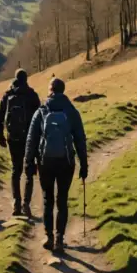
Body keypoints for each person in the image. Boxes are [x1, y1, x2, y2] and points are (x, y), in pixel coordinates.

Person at [25, 77, 88, 254]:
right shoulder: (71, 111)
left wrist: (28, 162)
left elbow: (32, 139)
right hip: (66, 162)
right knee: (62, 200)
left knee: (47, 200)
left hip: (45, 162)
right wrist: (84, 164)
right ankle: (60, 238)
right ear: (63, 90)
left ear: (50, 90)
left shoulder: (42, 111)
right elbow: (80, 139)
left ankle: (49, 237)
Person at [0, 69, 41, 217]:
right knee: (29, 172)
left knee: (16, 171)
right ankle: (26, 204)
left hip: (13, 138)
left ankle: (16, 203)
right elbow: (40, 118)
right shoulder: (32, 95)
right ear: (26, 79)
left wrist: (1, 137)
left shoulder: (8, 95)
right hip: (29, 139)